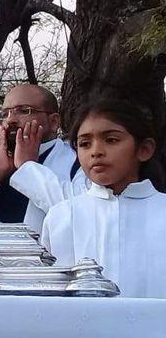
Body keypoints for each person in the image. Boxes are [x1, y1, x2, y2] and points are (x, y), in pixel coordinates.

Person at [41, 98, 166, 297]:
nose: (96, 152)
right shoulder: (62, 217)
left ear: (144, 149)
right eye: (85, 144)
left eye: (111, 140)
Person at [0, 84, 87, 234]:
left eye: (24, 111)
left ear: (54, 122)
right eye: (5, 114)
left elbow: (81, 214)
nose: (11, 120)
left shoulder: (80, 163)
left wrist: (28, 168)